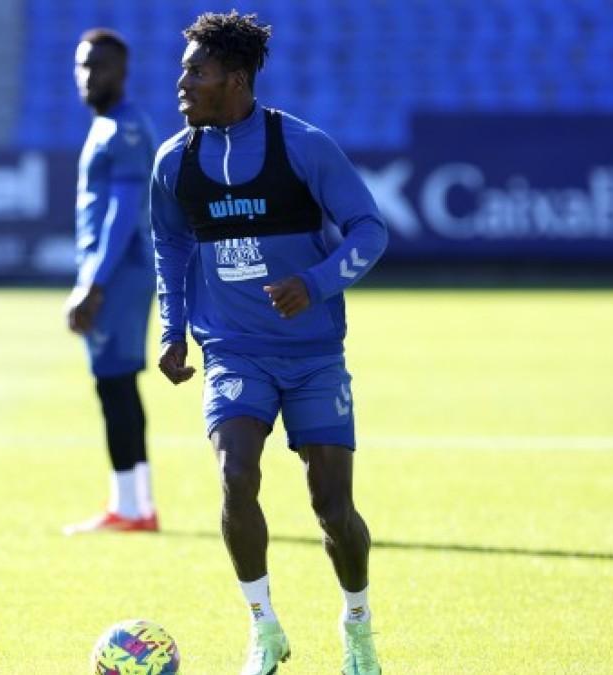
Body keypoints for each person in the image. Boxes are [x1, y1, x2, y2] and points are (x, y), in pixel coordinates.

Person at [149, 11, 386, 675]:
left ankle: (357, 625)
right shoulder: (176, 161)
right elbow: (169, 243)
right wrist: (172, 328)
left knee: (332, 508)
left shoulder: (302, 146)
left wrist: (313, 283)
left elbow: (370, 230)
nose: (183, 80)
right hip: (232, 350)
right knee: (235, 474)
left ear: (238, 76)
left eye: (197, 69)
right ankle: (264, 627)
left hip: (312, 356)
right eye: (185, 67)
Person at [62, 28, 160, 535]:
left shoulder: (121, 129)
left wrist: (94, 282)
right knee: (118, 386)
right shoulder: (112, 125)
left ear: (122, 72)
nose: (87, 76)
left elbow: (123, 211)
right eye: (81, 65)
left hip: (119, 274)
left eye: (97, 66)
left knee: (114, 386)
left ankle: (130, 508)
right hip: (119, 273)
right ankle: (135, 504)